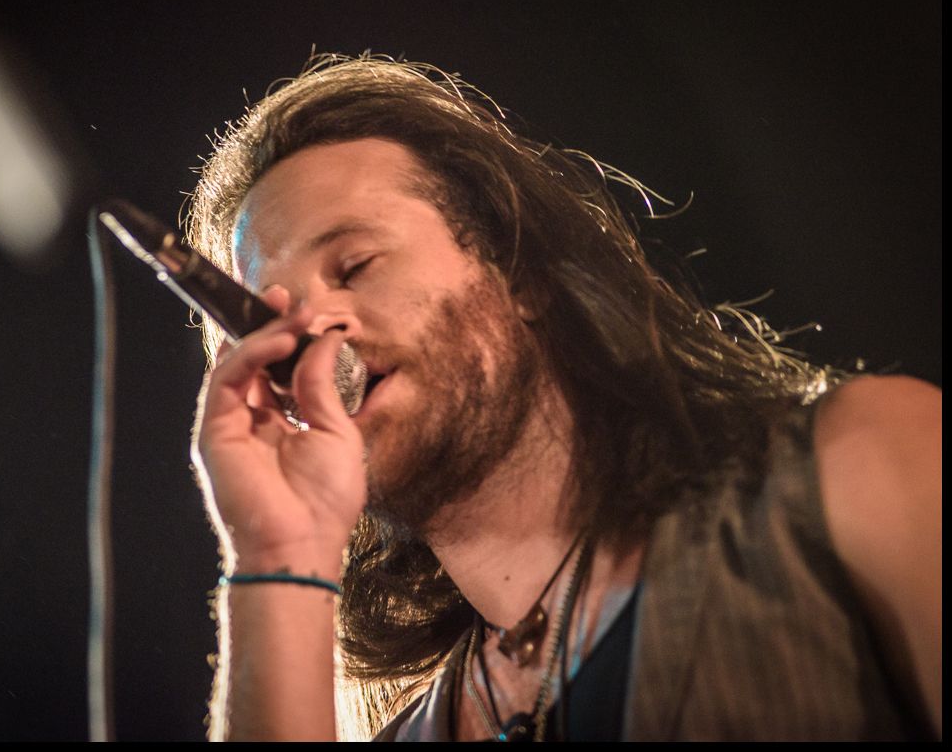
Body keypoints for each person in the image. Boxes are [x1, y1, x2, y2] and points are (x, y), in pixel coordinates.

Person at [181, 55, 941, 741]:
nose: (314, 331)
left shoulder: (860, 465)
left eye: (354, 265)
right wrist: (275, 556)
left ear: (520, 272)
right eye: (274, 323)